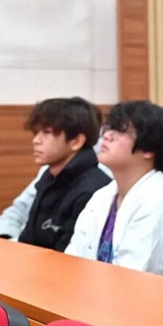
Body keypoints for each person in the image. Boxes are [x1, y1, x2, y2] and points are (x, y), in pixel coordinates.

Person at [64, 102, 163, 278]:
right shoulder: (102, 196)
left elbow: (135, 284)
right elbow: (73, 259)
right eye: (108, 128)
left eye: (120, 131)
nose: (106, 136)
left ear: (148, 149)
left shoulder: (159, 205)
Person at [17, 98, 111, 251]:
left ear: (76, 141)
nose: (36, 140)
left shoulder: (93, 190)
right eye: (36, 132)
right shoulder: (49, 176)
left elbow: (68, 254)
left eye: (47, 132)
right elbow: (28, 238)